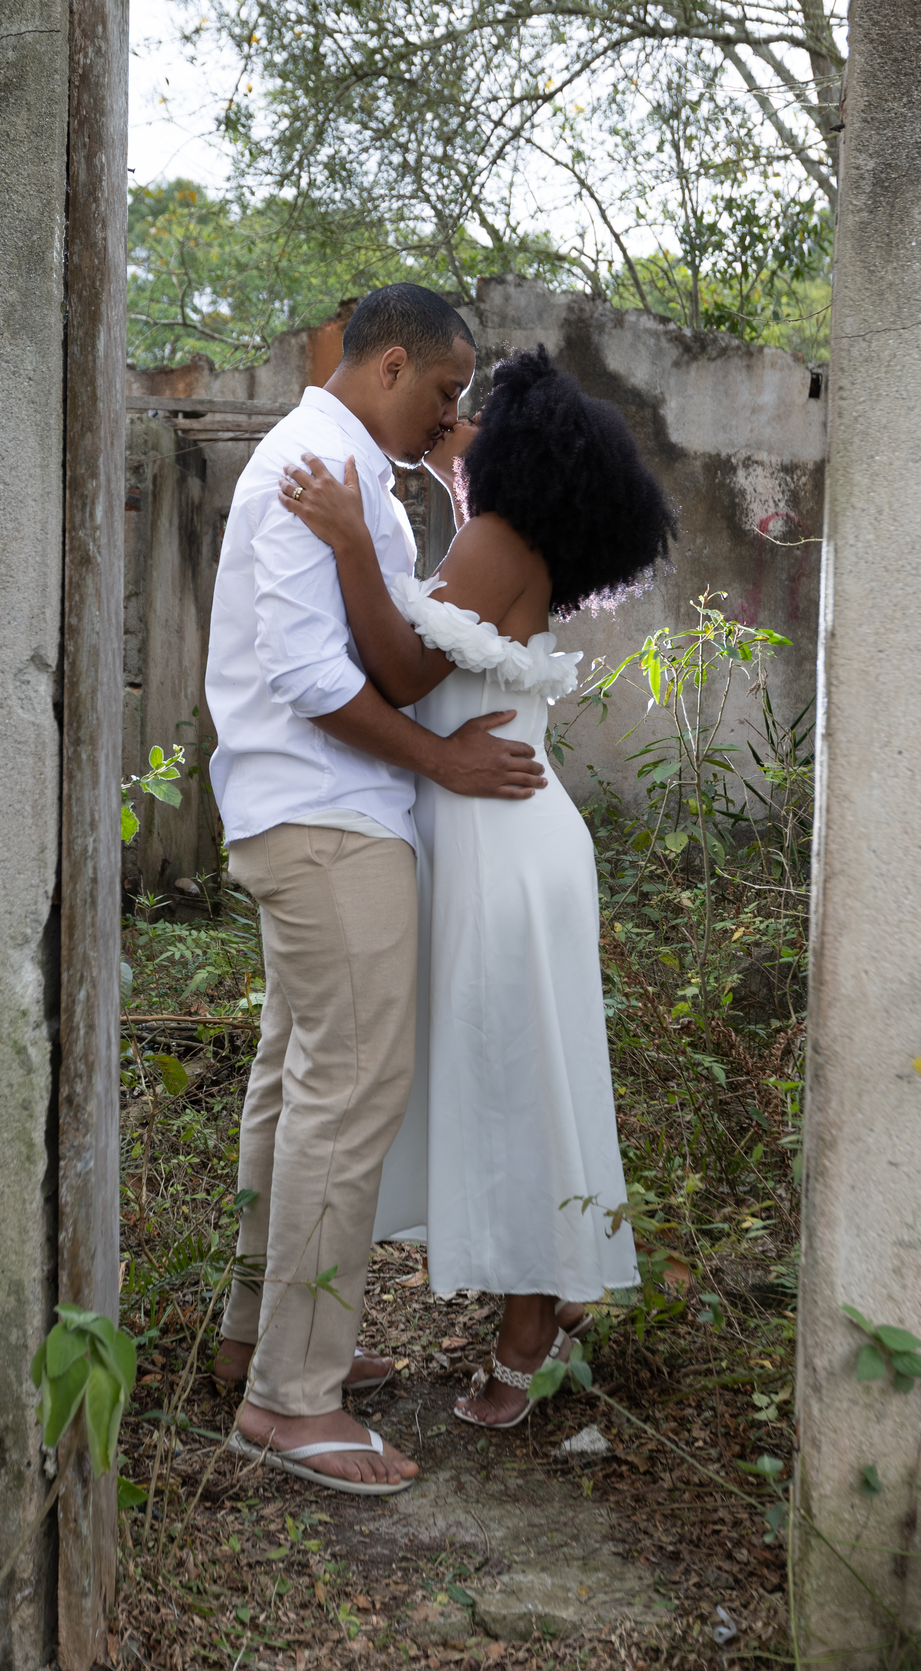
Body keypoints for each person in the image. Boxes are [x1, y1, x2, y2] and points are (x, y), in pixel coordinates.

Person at [279, 343, 675, 1426]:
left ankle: (530, 1327)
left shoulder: (498, 541)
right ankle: (544, 1294)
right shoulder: (490, 537)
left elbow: (404, 674)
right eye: (457, 408)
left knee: (513, 1086)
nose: (461, 424)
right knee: (506, 1075)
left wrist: (354, 543)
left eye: (479, 416)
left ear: (527, 457)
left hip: (502, 847)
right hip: (501, 838)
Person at [207, 285, 551, 1494]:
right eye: (446, 392)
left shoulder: (342, 463)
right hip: (327, 821)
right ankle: (291, 1403)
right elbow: (314, 677)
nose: (450, 418)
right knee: (347, 1100)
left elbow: (370, 649)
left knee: (296, 1083)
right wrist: (445, 760)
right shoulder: (321, 466)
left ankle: (265, 1341)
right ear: (392, 364)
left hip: (310, 818)